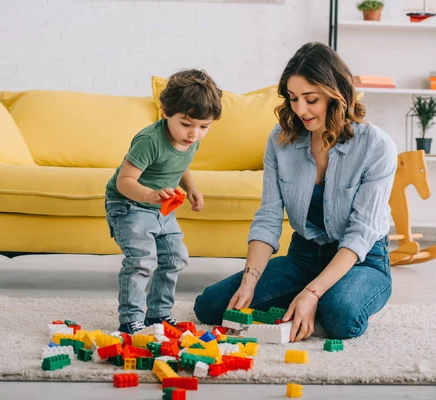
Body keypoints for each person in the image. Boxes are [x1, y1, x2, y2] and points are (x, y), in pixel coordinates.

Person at [193, 42, 397, 342]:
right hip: (304, 257)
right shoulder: (280, 141)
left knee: (339, 315)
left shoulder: (376, 146)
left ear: (334, 94)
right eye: (293, 99)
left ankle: (319, 300)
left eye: (310, 99)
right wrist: (250, 281)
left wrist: (312, 292)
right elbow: (268, 217)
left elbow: (360, 235)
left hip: (362, 259)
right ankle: (303, 301)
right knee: (211, 306)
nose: (300, 110)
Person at [105, 69, 222, 334]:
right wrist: (148, 195)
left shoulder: (190, 141)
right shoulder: (150, 141)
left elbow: (180, 165)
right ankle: (131, 319)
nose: (194, 134)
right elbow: (125, 181)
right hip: (129, 205)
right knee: (142, 260)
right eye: (186, 124)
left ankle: (158, 314)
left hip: (161, 207)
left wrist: (190, 187)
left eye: (204, 127)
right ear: (165, 112)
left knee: (175, 257)